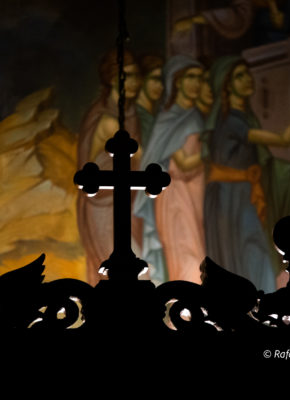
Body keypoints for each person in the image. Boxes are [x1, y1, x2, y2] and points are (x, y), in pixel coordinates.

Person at [203, 55, 290, 293]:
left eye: (247, 73)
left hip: (241, 193)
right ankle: (256, 304)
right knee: (249, 251)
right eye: (239, 76)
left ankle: (257, 303)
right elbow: (284, 139)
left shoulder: (244, 117)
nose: (248, 79)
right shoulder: (232, 121)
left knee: (253, 252)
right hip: (230, 196)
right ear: (227, 85)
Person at [134, 55, 206, 285]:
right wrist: (211, 153)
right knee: (187, 255)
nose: (196, 84)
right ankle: (184, 304)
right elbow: (182, 163)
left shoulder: (195, 116)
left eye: (200, 78)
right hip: (175, 195)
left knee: (197, 252)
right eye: (190, 77)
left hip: (195, 193)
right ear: (177, 81)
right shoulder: (168, 120)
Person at [77, 48, 143, 286]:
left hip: (127, 202)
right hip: (102, 205)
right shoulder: (108, 121)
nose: (134, 82)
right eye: (126, 76)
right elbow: (142, 158)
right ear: (111, 79)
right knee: (122, 274)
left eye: (136, 75)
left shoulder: (131, 114)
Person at [136, 55, 164, 147]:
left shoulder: (158, 114)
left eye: (162, 81)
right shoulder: (134, 116)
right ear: (142, 79)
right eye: (155, 79)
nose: (160, 86)